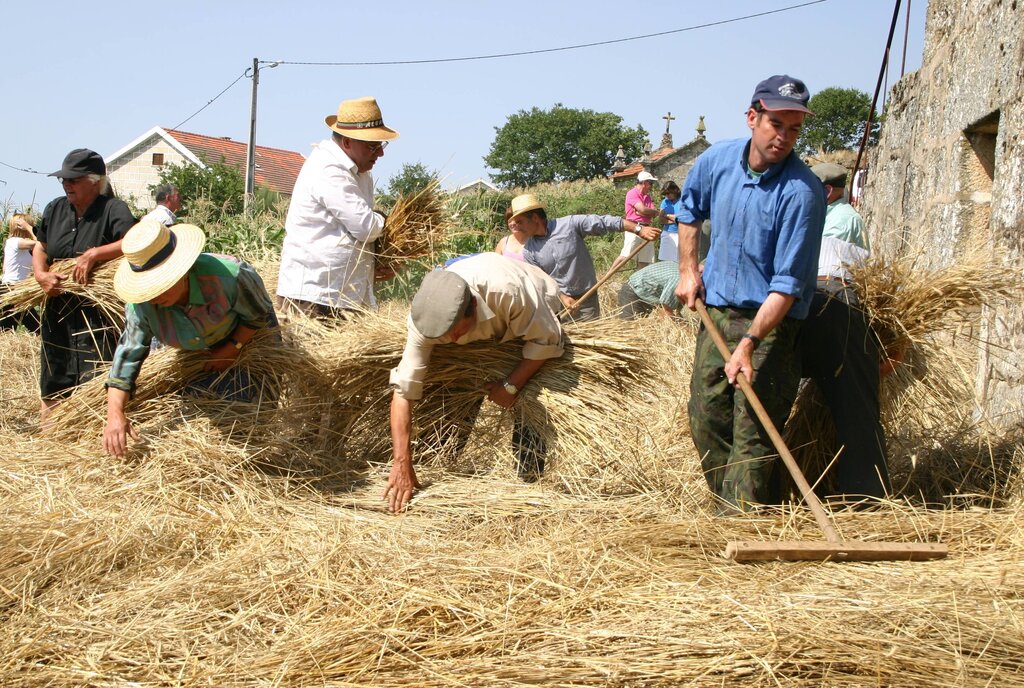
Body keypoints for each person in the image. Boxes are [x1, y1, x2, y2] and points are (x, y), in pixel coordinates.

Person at [674, 75, 826, 512]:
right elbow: (689, 210)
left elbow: (788, 285)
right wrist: (688, 271)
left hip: (770, 325)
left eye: (794, 129)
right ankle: (730, 507)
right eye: (776, 123)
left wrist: (749, 343)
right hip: (716, 310)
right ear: (752, 117)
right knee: (707, 418)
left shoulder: (802, 193)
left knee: (753, 428)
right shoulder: (716, 160)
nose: (783, 137)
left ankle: (744, 523)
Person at [384, 252, 565, 512]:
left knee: (531, 398)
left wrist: (510, 386)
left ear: (475, 308)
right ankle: (443, 461)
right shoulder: (426, 320)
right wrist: (401, 461)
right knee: (456, 388)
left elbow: (546, 340)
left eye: (458, 330)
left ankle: (530, 484)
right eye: (446, 336)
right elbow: (403, 390)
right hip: (493, 318)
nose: (454, 339)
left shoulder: (510, 294)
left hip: (536, 311)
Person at [102, 220, 278, 458]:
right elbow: (126, 359)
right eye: (149, 287)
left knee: (249, 413)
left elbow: (259, 315)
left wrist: (232, 347)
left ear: (183, 271)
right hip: (197, 353)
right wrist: (115, 414)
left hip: (247, 340)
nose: (154, 295)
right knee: (204, 413)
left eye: (161, 284)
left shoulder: (229, 276)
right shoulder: (141, 307)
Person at [797, 163, 889, 500]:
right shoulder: (816, 210)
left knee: (856, 405)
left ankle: (865, 497)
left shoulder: (842, 219)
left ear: (827, 190)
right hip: (804, 294)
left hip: (834, 296)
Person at [33, 148, 135, 420]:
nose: (66, 184)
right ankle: (50, 444)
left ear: (94, 181)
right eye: (63, 180)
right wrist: (41, 275)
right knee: (55, 376)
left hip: (97, 313)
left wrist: (95, 254)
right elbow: (41, 247)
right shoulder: (55, 209)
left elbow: (133, 242)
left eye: (73, 180)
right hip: (57, 308)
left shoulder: (114, 209)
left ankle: (96, 436)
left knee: (97, 374)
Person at [276, 96, 399, 319]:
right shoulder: (328, 169)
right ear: (347, 143)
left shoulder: (361, 174)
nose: (380, 153)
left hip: (342, 295)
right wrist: (382, 218)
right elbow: (366, 227)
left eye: (381, 145)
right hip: (315, 296)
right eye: (373, 146)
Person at [508, 193, 660, 322]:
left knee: (592, 344)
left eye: (520, 221)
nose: (517, 226)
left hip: (587, 300)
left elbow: (606, 222)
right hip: (558, 307)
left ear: (535, 218)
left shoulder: (570, 225)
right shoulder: (529, 250)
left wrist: (639, 229)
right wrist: (562, 297)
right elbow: (540, 280)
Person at [609, 171, 663, 273]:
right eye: (650, 183)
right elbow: (643, 210)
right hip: (634, 227)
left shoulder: (647, 196)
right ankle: (608, 275)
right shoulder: (632, 193)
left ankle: (639, 282)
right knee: (625, 256)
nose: (651, 186)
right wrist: (650, 212)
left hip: (647, 228)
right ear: (644, 182)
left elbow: (647, 211)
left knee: (645, 260)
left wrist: (647, 212)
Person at [811, 162, 868, 249]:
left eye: (809, 188)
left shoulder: (839, 223)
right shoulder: (832, 214)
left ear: (827, 192)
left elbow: (824, 260)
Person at [1, 213, 40, 331]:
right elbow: (41, 243)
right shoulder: (14, 242)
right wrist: (29, 228)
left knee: (7, 326)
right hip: (12, 289)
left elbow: (4, 268)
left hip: (17, 290)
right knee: (36, 326)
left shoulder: (18, 246)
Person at [657, 181, 682, 263]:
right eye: (665, 194)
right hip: (667, 233)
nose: (667, 196)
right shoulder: (665, 202)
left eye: (668, 193)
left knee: (679, 261)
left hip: (680, 234)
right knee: (665, 261)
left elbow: (683, 219)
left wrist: (667, 216)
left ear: (674, 190)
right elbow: (661, 220)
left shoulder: (683, 201)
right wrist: (676, 219)